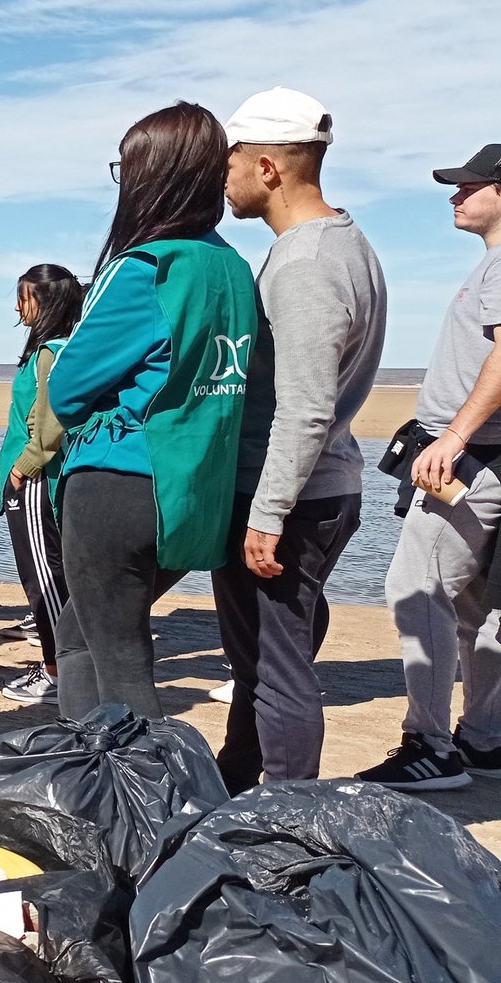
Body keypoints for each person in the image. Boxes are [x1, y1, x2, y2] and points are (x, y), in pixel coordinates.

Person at [49, 102, 257, 721]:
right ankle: (103, 782)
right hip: (195, 489)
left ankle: (120, 797)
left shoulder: (146, 266)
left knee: (112, 656)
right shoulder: (234, 267)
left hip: (119, 481)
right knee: (84, 635)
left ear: (151, 176)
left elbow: (66, 389)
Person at [208, 89, 385, 794]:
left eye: (231, 165)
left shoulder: (307, 261)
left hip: (291, 493)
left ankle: (287, 812)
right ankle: (237, 784)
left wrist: (267, 512)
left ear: (268, 167)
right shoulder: (345, 242)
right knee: (266, 662)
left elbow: (308, 405)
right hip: (323, 482)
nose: (225, 181)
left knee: (278, 668)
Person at [359, 143, 501, 790]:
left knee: (416, 591)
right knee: (474, 609)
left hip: (470, 460)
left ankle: (430, 745)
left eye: (468, 185)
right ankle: (482, 740)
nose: (454, 196)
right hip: (478, 457)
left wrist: (454, 438)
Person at [0, 264, 83, 706]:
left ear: (45, 302)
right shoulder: (59, 348)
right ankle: (64, 664)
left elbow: (48, 424)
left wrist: (22, 467)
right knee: (54, 572)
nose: (16, 306)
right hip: (39, 478)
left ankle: (56, 670)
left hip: (34, 480)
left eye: (24, 297)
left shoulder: (52, 351)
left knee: (43, 577)